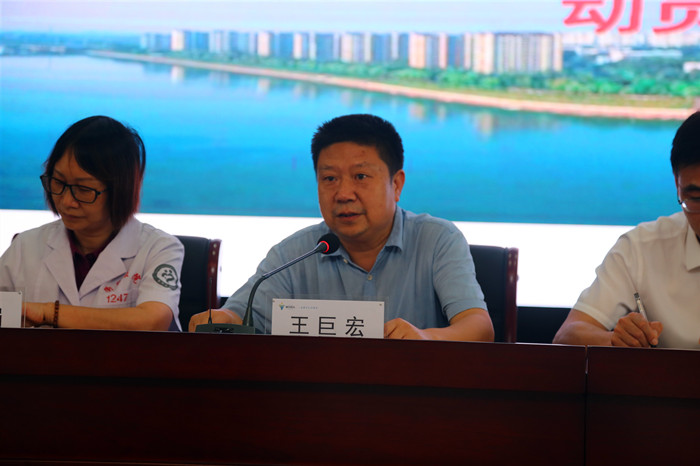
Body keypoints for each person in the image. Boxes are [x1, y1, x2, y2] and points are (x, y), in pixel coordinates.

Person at [189, 114, 494, 341]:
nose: (343, 193)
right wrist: (220, 319)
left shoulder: (436, 240)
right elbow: (237, 316)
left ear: (396, 184)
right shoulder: (296, 253)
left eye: (360, 177)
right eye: (330, 179)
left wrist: (427, 338)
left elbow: (478, 328)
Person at [0, 116, 184, 331]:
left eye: (83, 189)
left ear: (121, 191)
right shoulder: (26, 245)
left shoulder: (159, 248)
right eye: (58, 182)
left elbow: (152, 321)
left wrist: (47, 312)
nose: (67, 201)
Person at [553, 111, 700, 349]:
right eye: (695, 198)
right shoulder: (642, 248)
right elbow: (567, 336)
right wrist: (615, 340)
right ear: (677, 185)